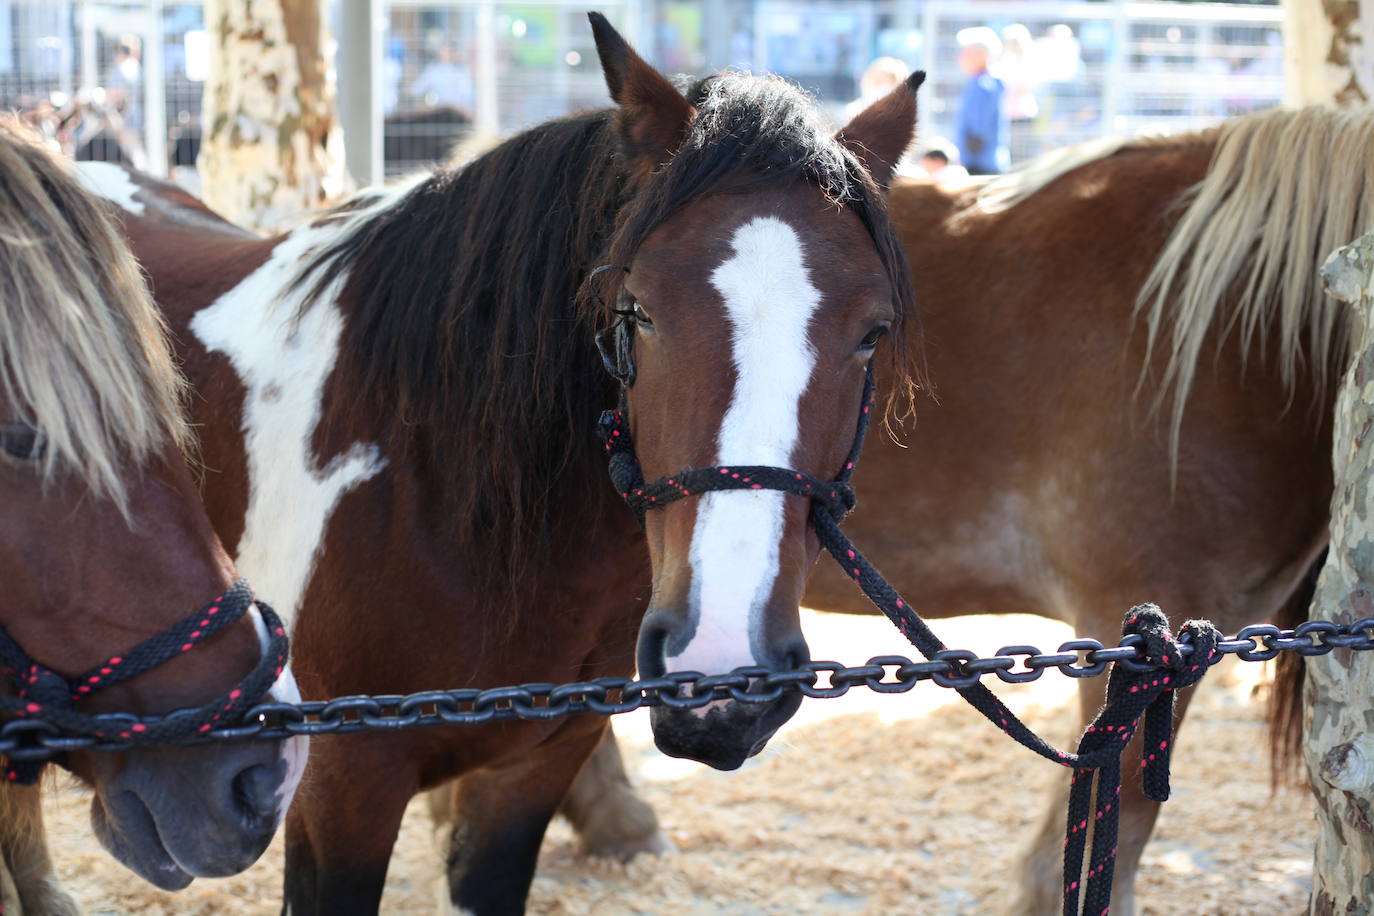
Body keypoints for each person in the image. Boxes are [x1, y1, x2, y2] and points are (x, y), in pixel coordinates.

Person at [954, 27, 1007, 175]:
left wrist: (964, 159)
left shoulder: (982, 85)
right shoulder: (986, 82)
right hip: (985, 163)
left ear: (981, 55)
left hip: (979, 166)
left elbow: (977, 132)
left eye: (967, 52)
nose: (960, 57)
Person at [409, 43, 475, 111]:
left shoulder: (460, 72)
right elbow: (417, 88)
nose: (444, 54)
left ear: (452, 54)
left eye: (447, 52)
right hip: (437, 110)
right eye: (443, 51)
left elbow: (467, 95)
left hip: (456, 110)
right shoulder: (432, 70)